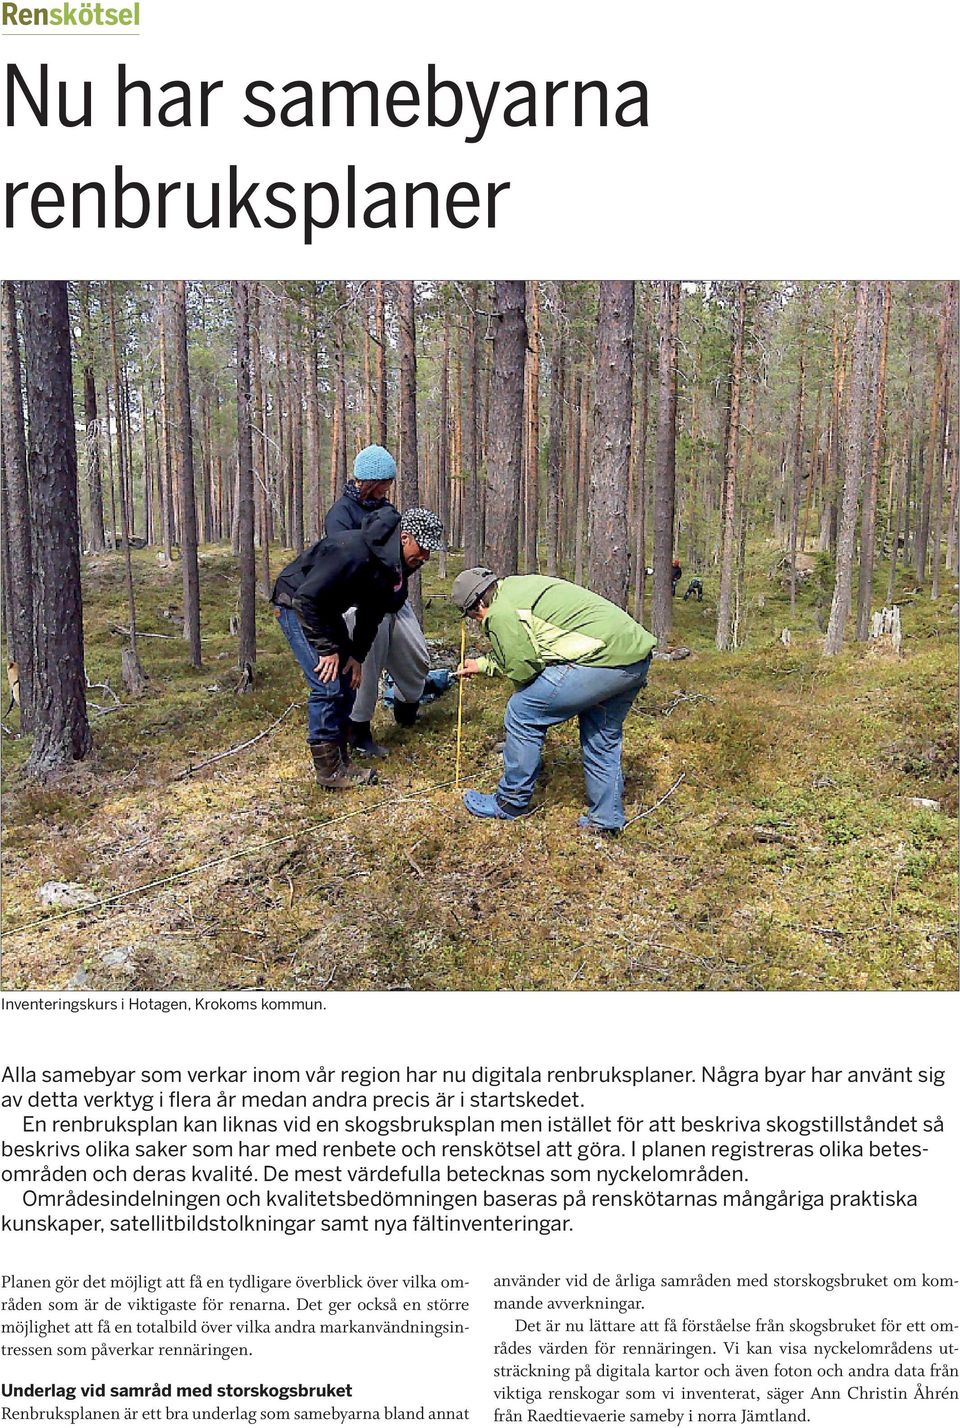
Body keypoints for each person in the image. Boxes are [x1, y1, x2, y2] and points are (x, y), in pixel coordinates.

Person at [451, 569, 656, 833]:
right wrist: (482, 665)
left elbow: (524, 668)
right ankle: (605, 820)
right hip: (632, 658)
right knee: (601, 734)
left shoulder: (501, 612)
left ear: (478, 604)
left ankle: (510, 802)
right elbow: (536, 649)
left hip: (604, 660)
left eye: (473, 615)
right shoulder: (516, 588)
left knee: (522, 711)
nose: (477, 621)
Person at [272, 507, 444, 788]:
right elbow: (306, 599)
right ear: (405, 538)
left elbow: (372, 611)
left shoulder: (397, 566)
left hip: (325, 609)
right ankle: (329, 771)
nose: (425, 557)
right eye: (423, 548)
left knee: (348, 679)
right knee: (327, 684)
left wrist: (356, 654)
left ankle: (341, 758)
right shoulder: (353, 552)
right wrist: (327, 649)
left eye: (429, 552)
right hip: (295, 604)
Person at [324, 445, 431, 758]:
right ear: (366, 480)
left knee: (418, 660)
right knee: (365, 667)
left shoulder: (388, 510)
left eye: (390, 482)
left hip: (392, 600)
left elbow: (401, 557)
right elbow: (342, 563)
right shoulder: (341, 516)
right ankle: (359, 729)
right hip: (359, 605)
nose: (387, 488)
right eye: (383, 481)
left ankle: (406, 705)